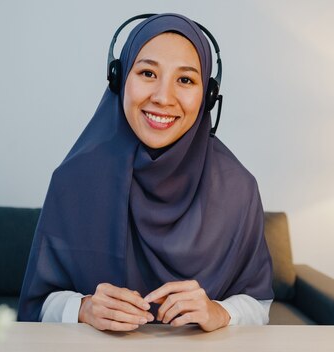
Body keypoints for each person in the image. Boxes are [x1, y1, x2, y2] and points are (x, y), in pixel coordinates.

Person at [17, 13, 274, 332]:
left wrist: (219, 312)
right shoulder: (74, 180)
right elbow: (37, 304)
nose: (163, 98)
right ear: (120, 78)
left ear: (207, 95)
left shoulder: (238, 188)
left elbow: (259, 304)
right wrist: (83, 308)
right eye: (148, 73)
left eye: (185, 80)